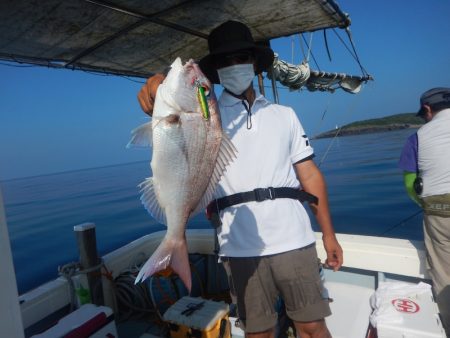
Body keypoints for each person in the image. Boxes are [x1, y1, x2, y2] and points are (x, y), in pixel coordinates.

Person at [138, 20, 343, 338]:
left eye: (241, 58)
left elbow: (311, 176)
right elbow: (173, 107)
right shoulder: (207, 114)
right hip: (239, 246)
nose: (235, 66)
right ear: (215, 72)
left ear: (255, 63)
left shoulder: (284, 115)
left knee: (313, 326)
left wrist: (328, 234)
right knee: (257, 332)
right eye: (225, 61)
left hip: (296, 240)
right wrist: (156, 82)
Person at [398, 87, 450, 335]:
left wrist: (426, 204)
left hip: (440, 211)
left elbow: (411, 184)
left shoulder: (417, 138)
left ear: (428, 109)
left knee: (443, 273)